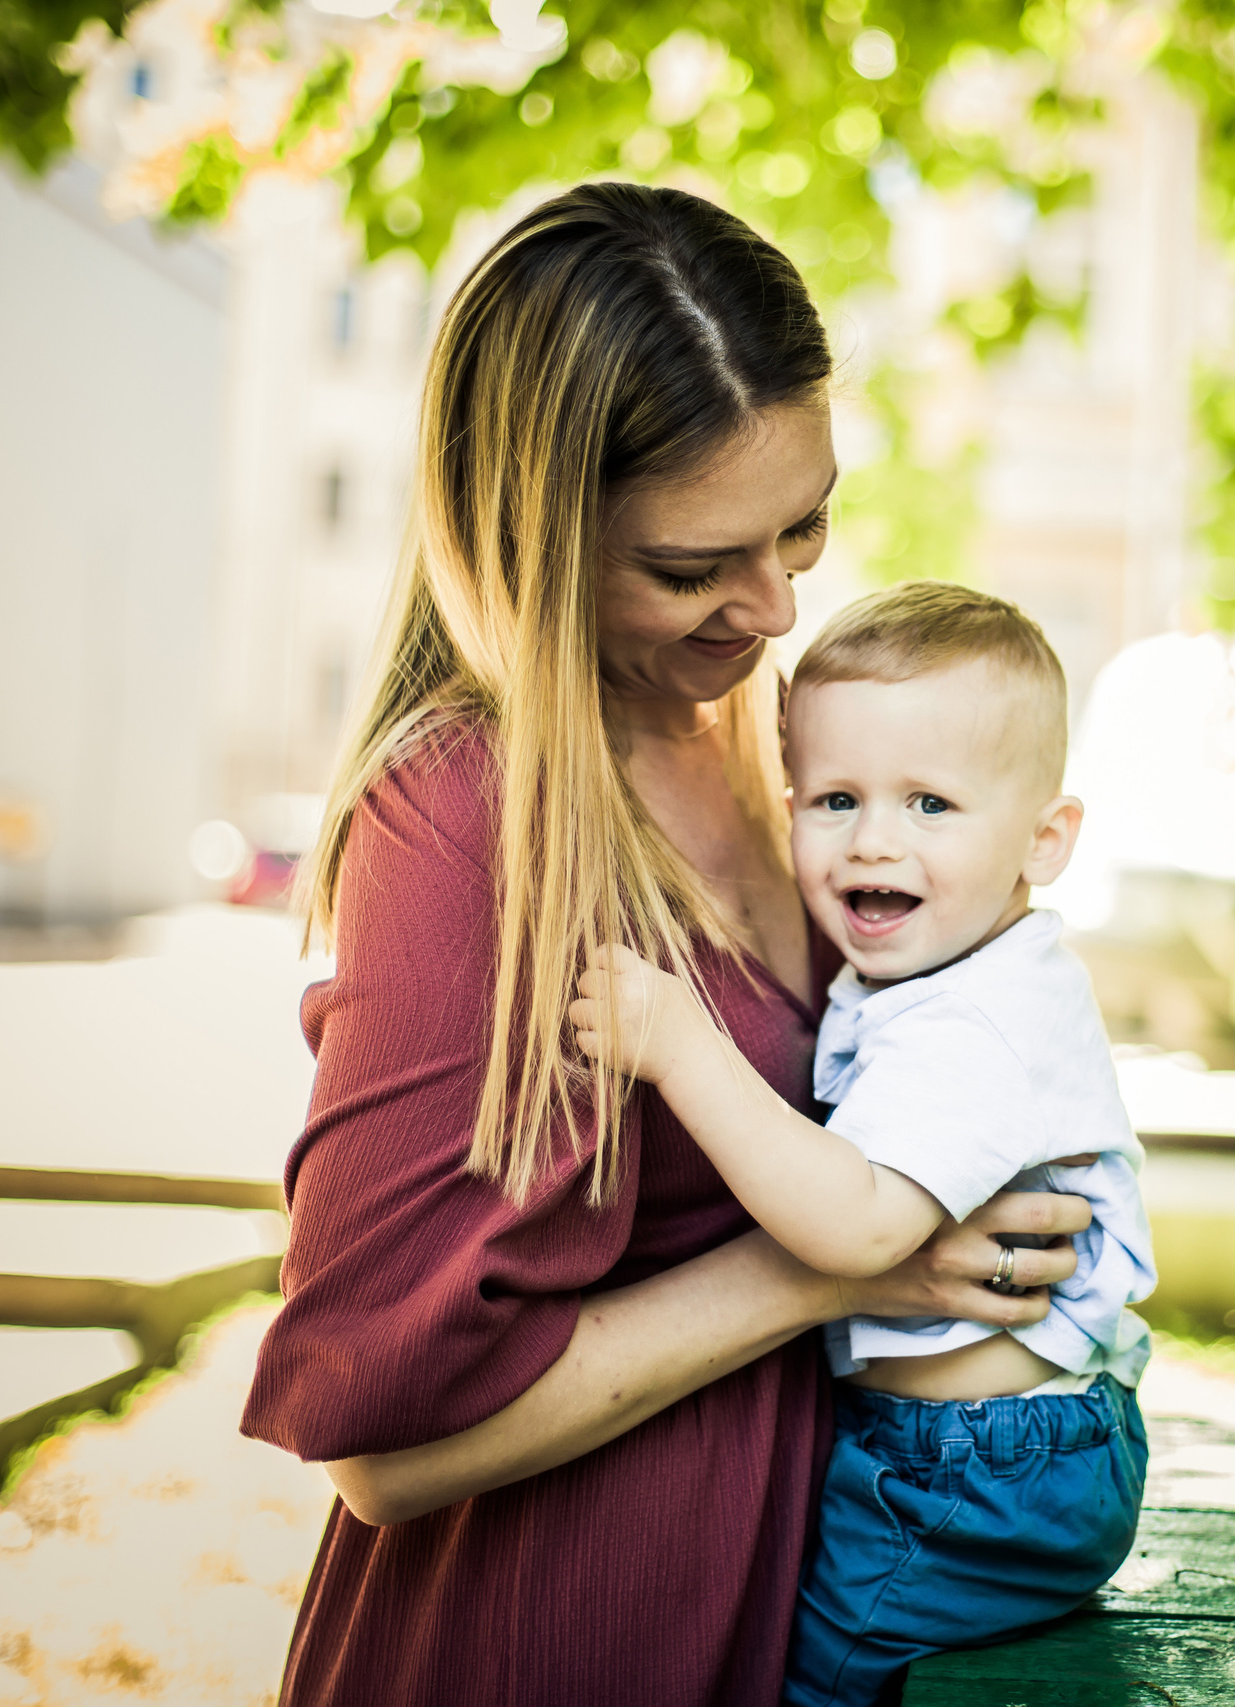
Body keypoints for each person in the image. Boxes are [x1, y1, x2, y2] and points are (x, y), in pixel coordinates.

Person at [238, 184, 1091, 1707]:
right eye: (694, 568)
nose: (772, 606)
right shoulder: (463, 817)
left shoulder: (786, 748)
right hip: (550, 1630)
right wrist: (833, 1270)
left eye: (805, 525)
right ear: (531, 533)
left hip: (791, 1591)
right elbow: (378, 1446)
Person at [573, 581, 1158, 1706]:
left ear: (1045, 840)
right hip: (980, 1449)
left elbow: (857, 1227)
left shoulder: (976, 1018)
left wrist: (681, 1046)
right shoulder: (955, 972)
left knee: (818, 1687)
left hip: (974, 1474)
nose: (872, 839)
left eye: (930, 804)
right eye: (834, 799)